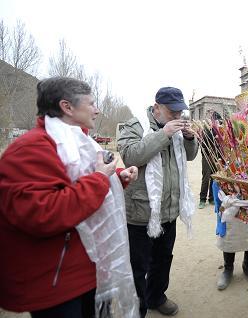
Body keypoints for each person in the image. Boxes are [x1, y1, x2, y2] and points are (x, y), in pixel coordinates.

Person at [0, 77, 139, 318]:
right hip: (58, 282)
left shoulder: (79, 141)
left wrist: (117, 177)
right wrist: (100, 179)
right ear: (67, 107)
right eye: (92, 103)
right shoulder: (30, 148)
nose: (97, 109)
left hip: (92, 267)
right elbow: (44, 214)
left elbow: (74, 182)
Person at [118, 87, 198, 317]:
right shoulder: (136, 126)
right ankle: (137, 310)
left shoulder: (177, 130)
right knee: (137, 266)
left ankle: (156, 297)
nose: (176, 116)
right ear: (156, 109)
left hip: (169, 211)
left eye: (179, 112)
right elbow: (131, 156)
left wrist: (190, 138)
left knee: (163, 259)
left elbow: (190, 156)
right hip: (141, 212)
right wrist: (164, 135)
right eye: (171, 111)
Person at [211, 91, 248, 290]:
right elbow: (223, 157)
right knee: (231, 231)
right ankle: (227, 268)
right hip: (232, 190)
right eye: (247, 108)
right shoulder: (232, 126)